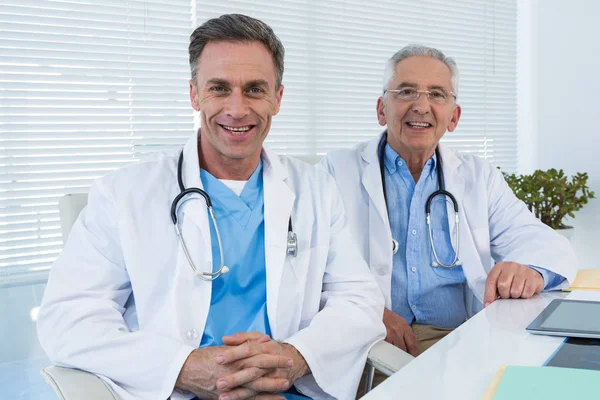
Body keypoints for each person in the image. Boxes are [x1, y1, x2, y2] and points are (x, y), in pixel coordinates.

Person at [37, 14, 385, 400]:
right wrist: (184, 367)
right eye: (219, 88)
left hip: (286, 391)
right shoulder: (125, 194)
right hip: (179, 391)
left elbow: (359, 299)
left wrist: (294, 357)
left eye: (255, 90)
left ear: (278, 98)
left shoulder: (316, 188)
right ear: (194, 94)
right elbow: (67, 319)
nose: (237, 109)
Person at [320, 44, 577, 363]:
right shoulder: (335, 171)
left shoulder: (479, 177)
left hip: (464, 338)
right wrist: (367, 312)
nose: (421, 106)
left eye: (438, 94)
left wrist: (529, 269)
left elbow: (545, 243)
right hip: (371, 341)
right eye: (406, 91)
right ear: (381, 109)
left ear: (453, 117)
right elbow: (310, 269)